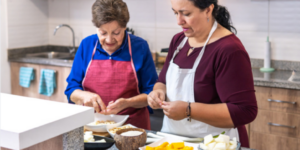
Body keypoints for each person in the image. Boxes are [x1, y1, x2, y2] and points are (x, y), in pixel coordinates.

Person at [147, 0, 257, 147]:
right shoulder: (179, 41)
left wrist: (188, 110)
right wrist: (158, 92)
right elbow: (162, 81)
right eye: (175, 12)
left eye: (186, 14)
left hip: (214, 144)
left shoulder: (229, 50)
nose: (179, 21)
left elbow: (245, 111)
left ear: (208, 10)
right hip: (173, 141)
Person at [65, 0, 158, 130]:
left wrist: (127, 103)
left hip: (132, 129)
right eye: (103, 33)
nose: (109, 40)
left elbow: (152, 93)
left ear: (125, 27)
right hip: (91, 127)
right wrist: (83, 95)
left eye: (116, 33)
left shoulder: (140, 47)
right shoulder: (86, 45)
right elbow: (71, 90)